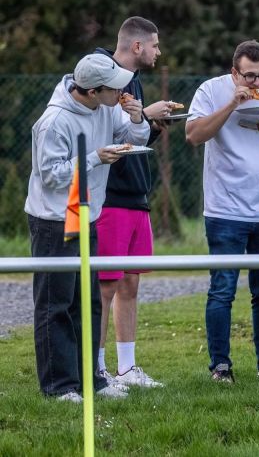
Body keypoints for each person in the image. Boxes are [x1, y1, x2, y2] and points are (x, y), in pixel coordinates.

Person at [25, 53, 150, 402]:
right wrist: (95, 157)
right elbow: (51, 177)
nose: (122, 91)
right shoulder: (54, 122)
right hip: (55, 219)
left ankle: (91, 379)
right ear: (94, 91)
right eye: (115, 88)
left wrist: (138, 119)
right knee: (56, 304)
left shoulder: (109, 108)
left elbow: (133, 136)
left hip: (89, 214)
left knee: (89, 301)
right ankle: (59, 386)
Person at [185, 40, 259, 383]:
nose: (257, 84)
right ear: (234, 72)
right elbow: (193, 135)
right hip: (225, 209)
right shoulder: (211, 90)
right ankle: (220, 366)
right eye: (249, 77)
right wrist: (231, 104)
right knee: (222, 289)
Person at [94, 16, 176, 389]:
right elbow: (104, 134)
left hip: (136, 197)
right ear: (137, 46)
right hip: (109, 199)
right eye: (155, 45)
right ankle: (97, 370)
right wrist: (146, 113)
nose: (159, 52)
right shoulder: (101, 74)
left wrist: (149, 122)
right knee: (105, 286)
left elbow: (130, 139)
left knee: (130, 285)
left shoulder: (134, 83)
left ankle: (127, 368)